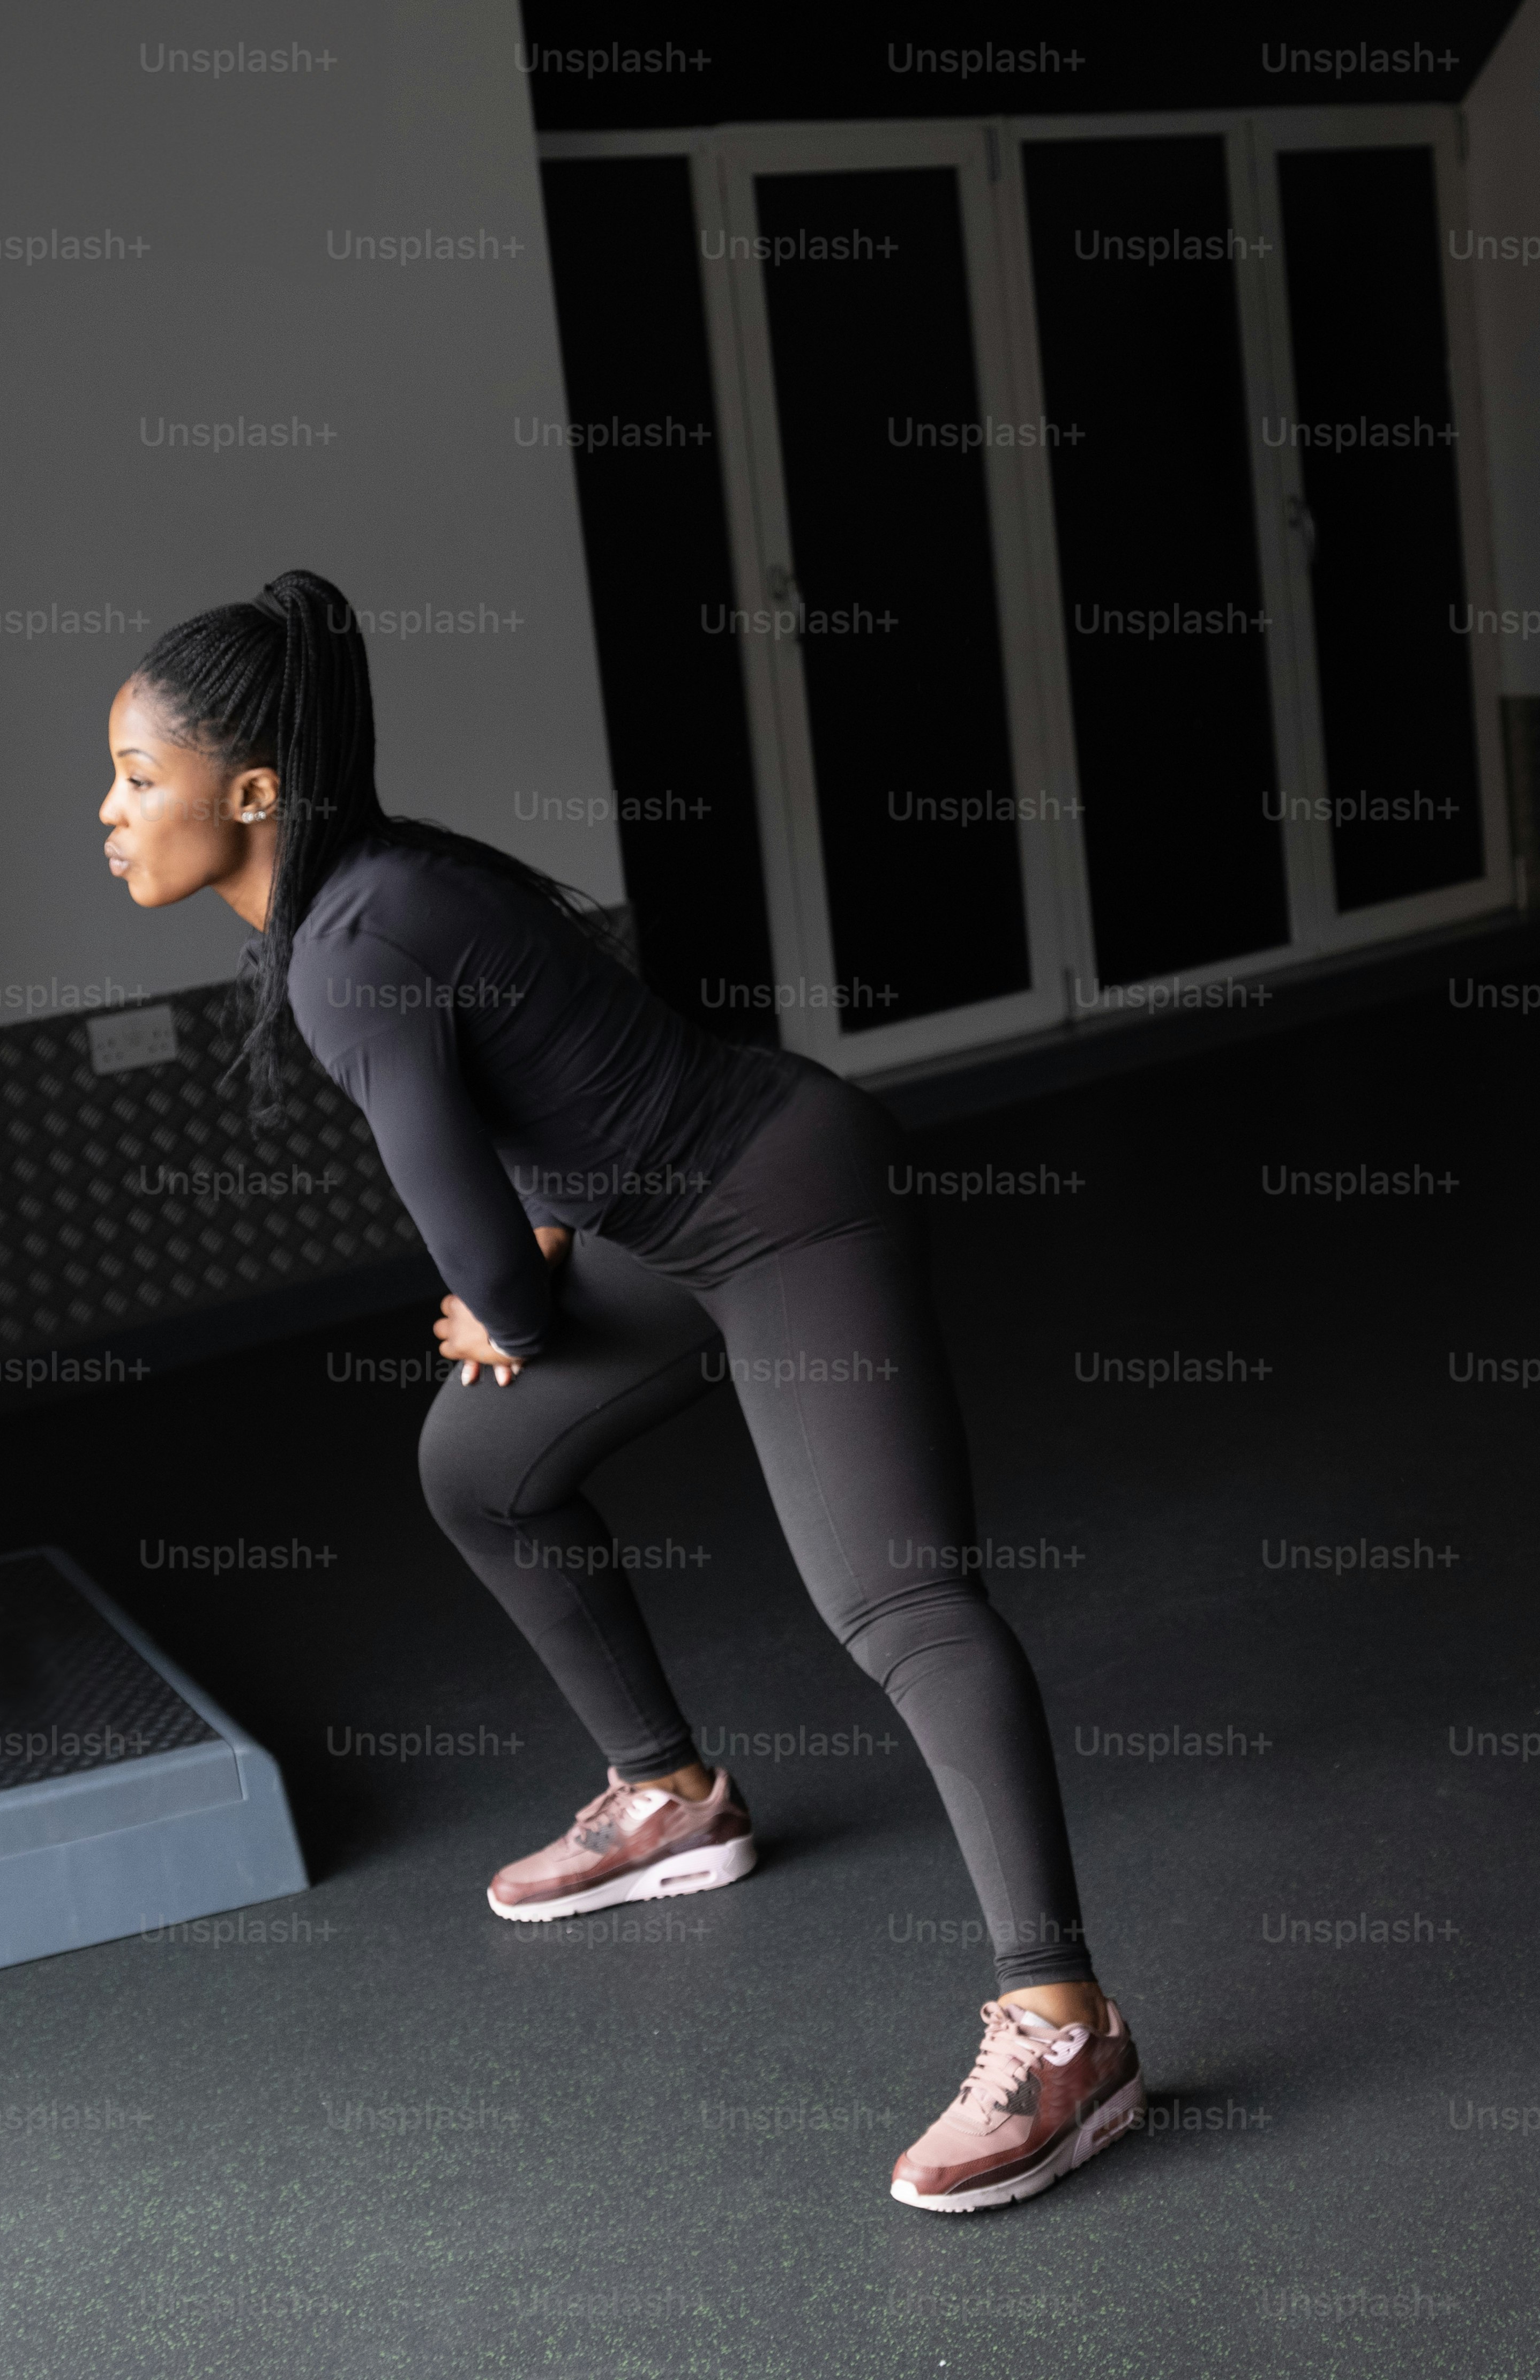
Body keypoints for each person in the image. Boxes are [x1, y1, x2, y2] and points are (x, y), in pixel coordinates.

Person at [96, 569, 1140, 2213]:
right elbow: (572, 1058)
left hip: (790, 1204)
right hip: (672, 1218)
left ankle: (1066, 2027)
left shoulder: (349, 950)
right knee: (477, 1467)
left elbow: (499, 1275)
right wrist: (531, 1268)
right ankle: (669, 1792)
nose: (110, 813)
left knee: (899, 1601)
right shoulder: (380, 883)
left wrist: (498, 1306)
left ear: (250, 794)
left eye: (136, 779)